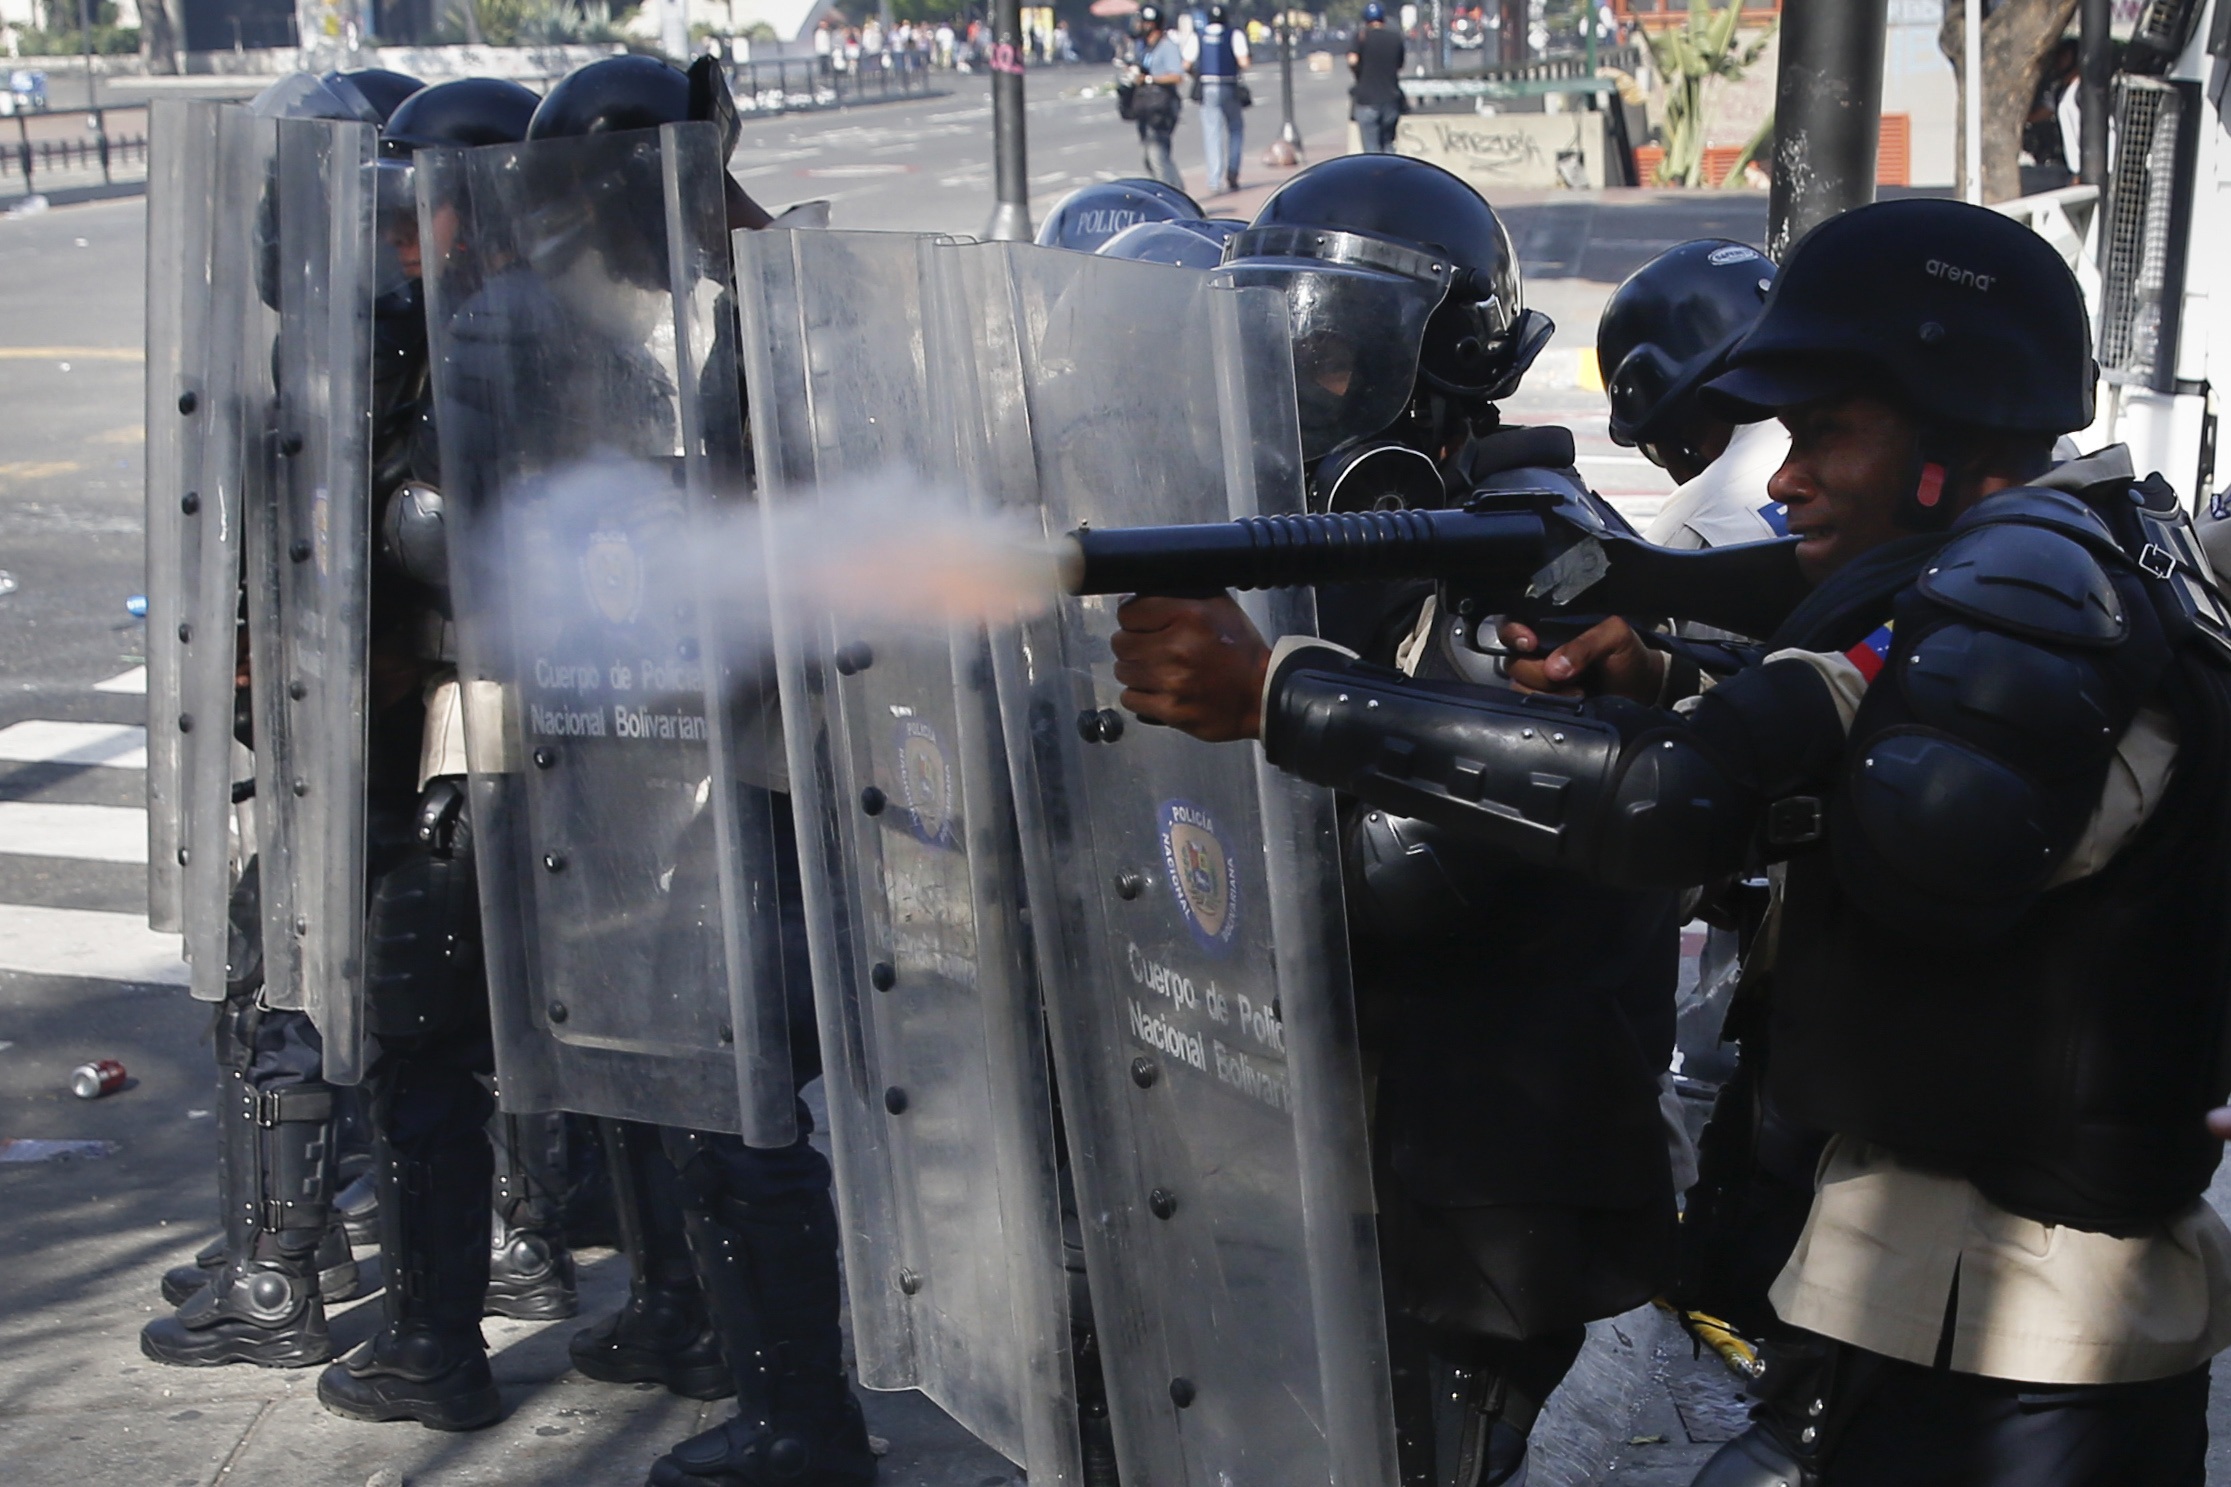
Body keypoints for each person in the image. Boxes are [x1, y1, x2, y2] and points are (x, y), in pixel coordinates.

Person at [1110, 196, 2231, 1487]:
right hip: (1933, 1302)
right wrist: (1662, 670)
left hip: (2012, 1333)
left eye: (1824, 430)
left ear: (1951, 421)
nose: (1784, 475)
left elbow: (1723, 813)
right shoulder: (2015, 578)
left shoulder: (2024, 593)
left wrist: (1280, 695)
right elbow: (1827, 726)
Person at [415, 54, 875, 1485]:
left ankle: (806, 1417)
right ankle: (712, 1336)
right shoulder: (551, 320)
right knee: (673, 1081)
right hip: (619, 744)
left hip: (756, 763)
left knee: (744, 1110)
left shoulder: (776, 303)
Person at [1209, 155, 1682, 1487]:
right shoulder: (1338, 541)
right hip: (1358, 1158)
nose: (1312, 390)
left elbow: (1398, 879)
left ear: (1453, 369)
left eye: (1348, 359)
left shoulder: (1524, 559)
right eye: (1289, 344)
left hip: (1470, 1185)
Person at [138, 65, 428, 1378]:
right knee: (288, 957)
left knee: (298, 977)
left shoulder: (385, 345)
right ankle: (285, 1237)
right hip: (351, 712)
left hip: (380, 726)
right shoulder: (353, 336)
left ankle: (284, 1266)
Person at [1185, 2, 1249, 195]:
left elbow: (1186, 63)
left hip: (1207, 85)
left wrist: (1196, 74)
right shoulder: (1233, 34)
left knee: (1211, 132)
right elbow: (1244, 61)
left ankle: (1214, 179)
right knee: (1236, 128)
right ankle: (1233, 170)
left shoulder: (1199, 35)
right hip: (1228, 84)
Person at [1126, 4, 1187, 191]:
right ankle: (1176, 191)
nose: (1140, 26)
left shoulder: (1167, 46)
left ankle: (1173, 195)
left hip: (1162, 108)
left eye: (1144, 23)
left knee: (1157, 155)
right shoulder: (1146, 49)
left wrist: (1150, 79)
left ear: (1153, 25)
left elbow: (1177, 76)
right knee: (1151, 158)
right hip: (1146, 107)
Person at [1349, 2, 1405, 154]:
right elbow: (1399, 65)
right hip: (1390, 98)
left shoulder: (1362, 37)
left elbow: (1352, 60)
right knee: (1388, 143)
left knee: (1371, 149)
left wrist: (1358, 71)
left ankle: (1375, 176)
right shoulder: (1395, 38)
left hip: (1367, 98)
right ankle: (1390, 175)